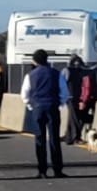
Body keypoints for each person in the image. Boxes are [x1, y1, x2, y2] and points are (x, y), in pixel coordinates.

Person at [20, 48, 68, 178]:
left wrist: (31, 105)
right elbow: (64, 93)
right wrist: (59, 104)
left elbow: (24, 94)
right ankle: (57, 169)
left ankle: (42, 170)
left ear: (34, 61)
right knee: (54, 139)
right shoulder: (56, 74)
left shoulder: (30, 75)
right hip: (52, 107)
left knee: (40, 139)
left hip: (38, 108)